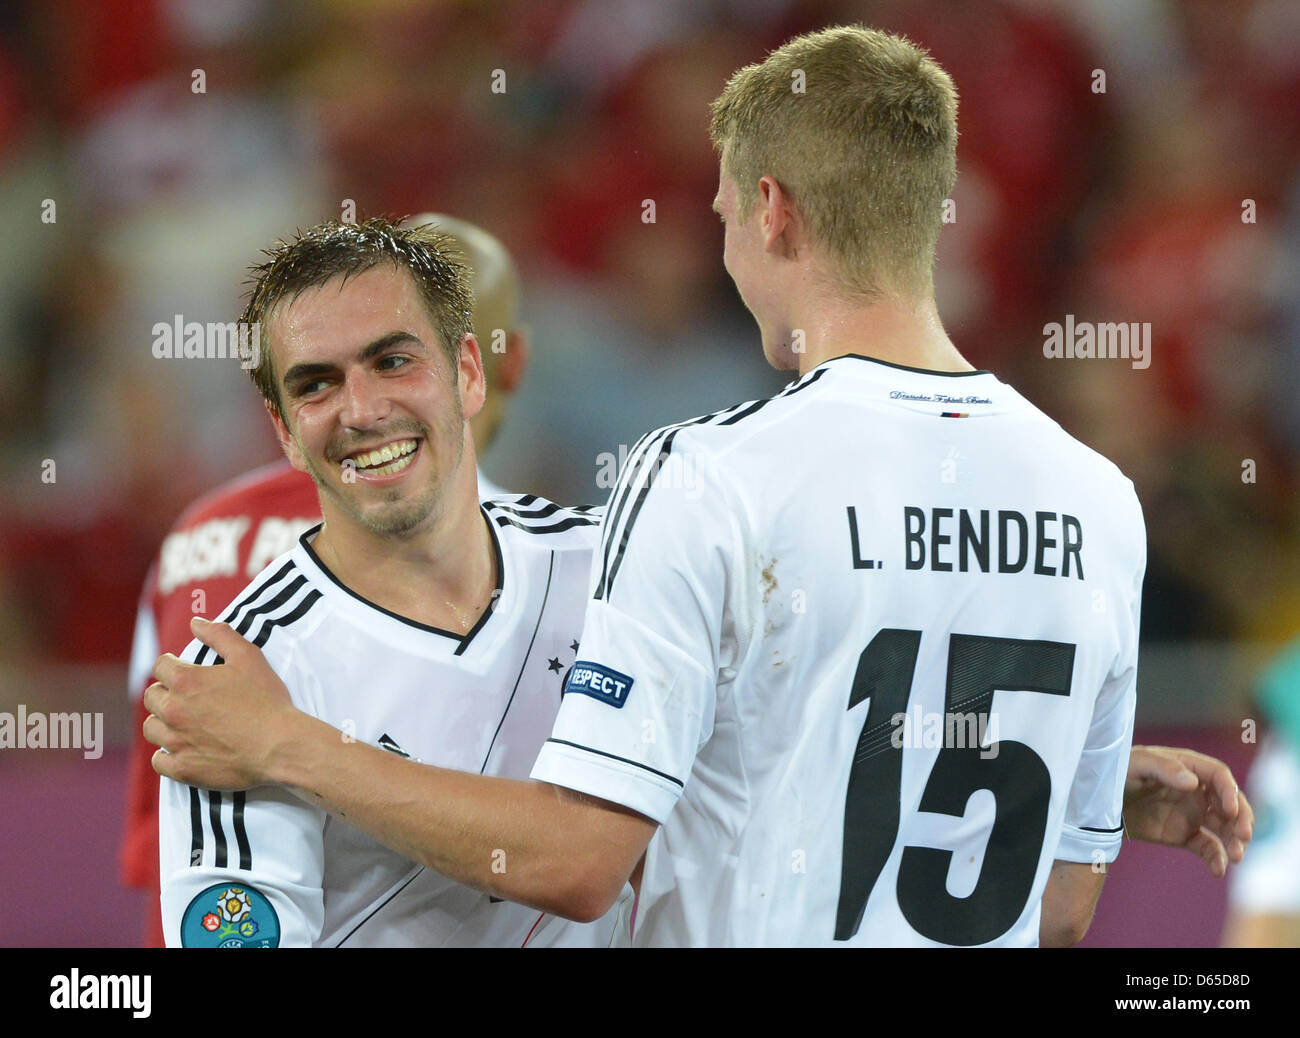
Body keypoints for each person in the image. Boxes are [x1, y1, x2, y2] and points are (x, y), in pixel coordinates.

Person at [147, 26, 1252, 946]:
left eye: (720, 212)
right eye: (318, 384)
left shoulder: (703, 479)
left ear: (770, 211)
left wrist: (293, 747)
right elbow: (1059, 911)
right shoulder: (1098, 497)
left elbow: (584, 857)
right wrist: (1024, 770)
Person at [122, 213, 532, 947]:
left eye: (394, 361)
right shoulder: (588, 572)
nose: (365, 407)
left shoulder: (197, 529)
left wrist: (291, 746)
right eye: (320, 380)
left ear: (468, 365)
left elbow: (154, 823)